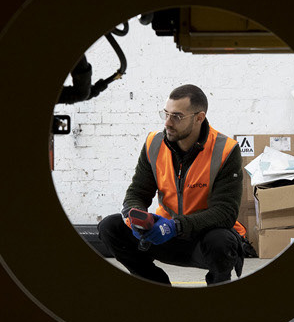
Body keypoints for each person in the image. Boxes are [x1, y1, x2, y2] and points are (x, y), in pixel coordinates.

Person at [97, 84, 248, 285]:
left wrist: (176, 227)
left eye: (176, 116)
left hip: (202, 240)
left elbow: (225, 213)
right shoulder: (154, 143)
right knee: (110, 226)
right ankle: (155, 284)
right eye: (166, 114)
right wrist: (135, 215)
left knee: (221, 242)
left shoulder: (226, 150)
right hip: (163, 235)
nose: (167, 122)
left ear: (199, 118)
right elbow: (137, 192)